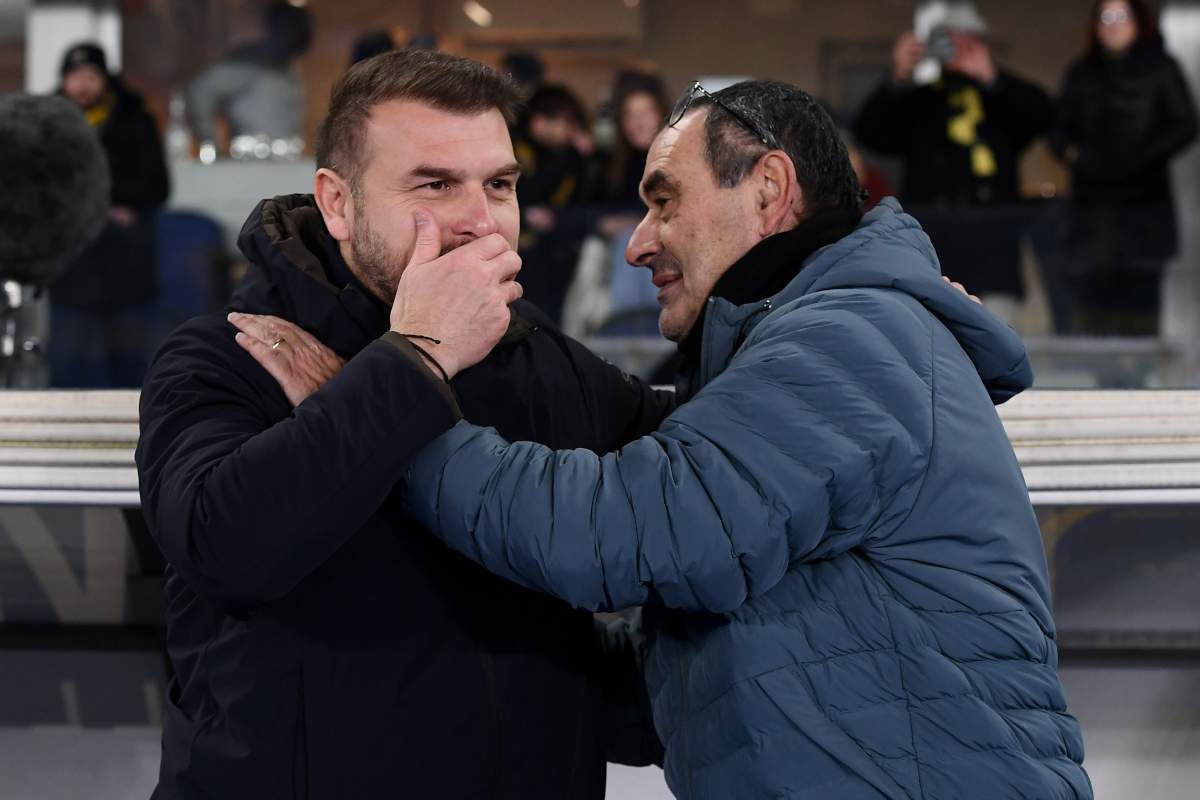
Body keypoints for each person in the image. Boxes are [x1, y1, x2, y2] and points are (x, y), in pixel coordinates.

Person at [393, 80, 1090, 799]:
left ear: (768, 188)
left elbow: (635, 530)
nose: (637, 242)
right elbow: (700, 685)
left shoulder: (851, 339)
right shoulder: (802, 351)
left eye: (664, 202)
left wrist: (396, 417)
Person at [136, 50, 674, 799]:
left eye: (500, 184)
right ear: (338, 203)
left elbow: (677, 452)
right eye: (434, 184)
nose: (480, 220)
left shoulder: (532, 347)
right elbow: (223, 546)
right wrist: (416, 356)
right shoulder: (230, 352)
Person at [854, 5, 1053, 316]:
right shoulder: (922, 101)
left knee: (995, 341)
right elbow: (870, 132)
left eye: (967, 41)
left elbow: (1042, 116)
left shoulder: (1001, 100)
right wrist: (896, 78)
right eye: (946, 41)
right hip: (935, 250)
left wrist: (991, 77)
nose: (956, 49)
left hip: (994, 252)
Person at [1047, 0, 1197, 335]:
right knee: (1095, 299)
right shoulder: (1082, 71)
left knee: (1141, 299)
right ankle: (1101, 379)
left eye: (1121, 17)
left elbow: (1185, 124)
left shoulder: (1161, 67)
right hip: (1092, 209)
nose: (1113, 25)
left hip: (1145, 207)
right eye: (1105, 17)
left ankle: (1141, 379)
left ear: (1138, 22)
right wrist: (1077, 155)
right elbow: (1057, 129)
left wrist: (1141, 157)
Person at [52, 42, 169, 387]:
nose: (83, 85)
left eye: (91, 76)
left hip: (126, 271)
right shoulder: (50, 122)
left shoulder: (134, 119)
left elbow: (155, 188)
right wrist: (108, 201)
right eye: (75, 76)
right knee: (65, 373)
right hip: (69, 273)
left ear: (106, 80)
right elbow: (40, 185)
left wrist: (84, 191)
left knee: (131, 374)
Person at [512, 84, 596, 322]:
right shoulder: (514, 145)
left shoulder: (569, 157)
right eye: (566, 122)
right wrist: (571, 156)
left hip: (557, 253)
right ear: (538, 121)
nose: (571, 131)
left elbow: (582, 199)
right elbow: (527, 189)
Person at [186, 1, 312, 152]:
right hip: (250, 162)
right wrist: (211, 144)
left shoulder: (287, 67)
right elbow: (199, 90)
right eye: (290, 30)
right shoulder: (248, 63)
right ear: (273, 27)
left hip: (285, 161)